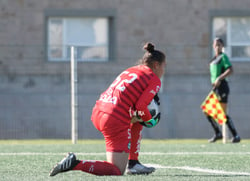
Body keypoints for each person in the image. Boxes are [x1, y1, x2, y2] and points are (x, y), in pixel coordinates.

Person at [49, 42, 166, 176]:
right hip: (114, 119)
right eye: (164, 66)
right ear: (156, 65)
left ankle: (133, 163)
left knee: (136, 121)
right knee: (116, 170)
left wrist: (139, 116)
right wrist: (149, 120)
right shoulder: (154, 79)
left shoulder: (131, 70)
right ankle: (75, 164)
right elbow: (140, 107)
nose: (164, 70)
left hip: (99, 111)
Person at [205, 37, 241, 143]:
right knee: (207, 111)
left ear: (222, 46)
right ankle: (218, 133)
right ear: (213, 46)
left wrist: (219, 78)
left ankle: (236, 135)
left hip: (222, 87)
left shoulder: (223, 57)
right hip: (215, 88)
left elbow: (230, 70)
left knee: (223, 113)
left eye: (219, 45)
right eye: (215, 45)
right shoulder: (213, 59)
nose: (217, 47)